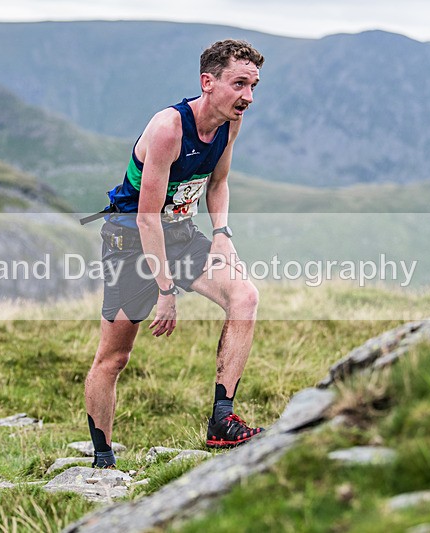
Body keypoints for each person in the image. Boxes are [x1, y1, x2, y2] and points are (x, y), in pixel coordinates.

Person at [82, 39, 265, 468]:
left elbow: (217, 184)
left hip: (180, 233)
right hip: (131, 241)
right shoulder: (168, 129)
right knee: (114, 357)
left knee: (245, 297)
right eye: (240, 84)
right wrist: (166, 290)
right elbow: (147, 218)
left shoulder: (228, 124)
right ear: (209, 82)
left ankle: (222, 420)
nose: (249, 97)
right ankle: (103, 460)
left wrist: (222, 233)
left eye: (254, 86)